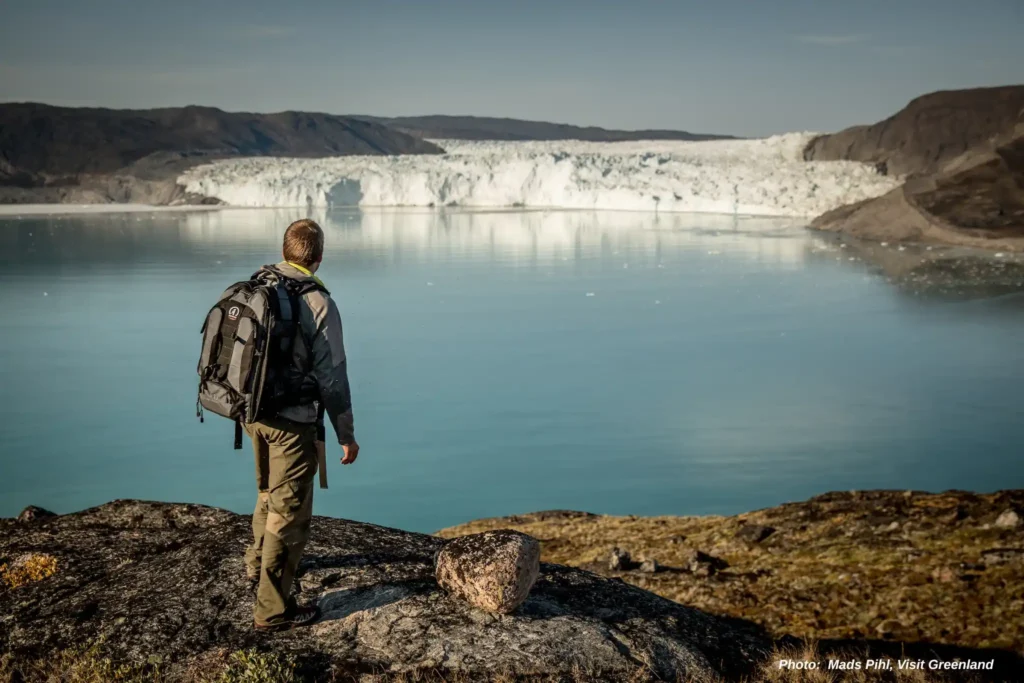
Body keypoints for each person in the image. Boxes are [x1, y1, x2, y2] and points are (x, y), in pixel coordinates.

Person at [244, 218, 359, 631]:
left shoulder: (258, 284)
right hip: (292, 423)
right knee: (288, 513)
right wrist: (346, 434)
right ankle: (272, 609)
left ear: (286, 250)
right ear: (319, 257)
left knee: (265, 493)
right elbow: (333, 377)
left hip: (252, 414)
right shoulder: (317, 302)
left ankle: (256, 569)